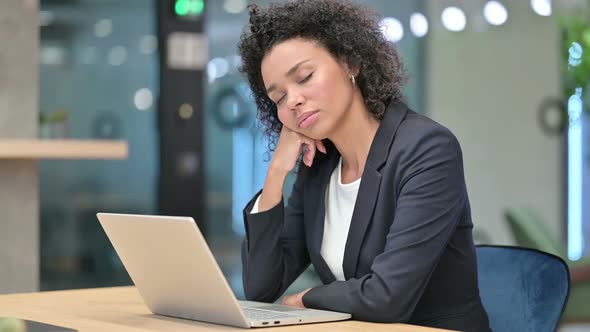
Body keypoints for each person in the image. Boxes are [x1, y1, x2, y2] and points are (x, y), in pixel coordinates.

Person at [237, 1, 491, 331]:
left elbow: (388, 297)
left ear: (350, 62)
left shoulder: (427, 149)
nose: (293, 101)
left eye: (304, 77)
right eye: (279, 98)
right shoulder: (320, 166)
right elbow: (261, 288)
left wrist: (307, 298)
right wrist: (276, 173)